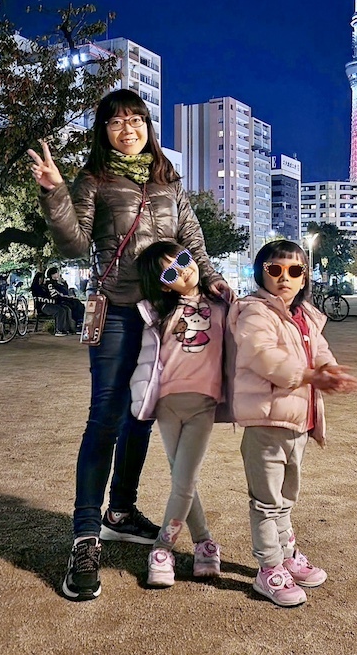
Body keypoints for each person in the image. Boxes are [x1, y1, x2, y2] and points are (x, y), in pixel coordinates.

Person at [28, 88, 230, 602]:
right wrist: (54, 192)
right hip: (119, 311)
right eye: (116, 122)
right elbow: (73, 243)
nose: (128, 129)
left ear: (147, 126)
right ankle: (85, 535)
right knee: (105, 415)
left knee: (143, 413)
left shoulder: (168, 180)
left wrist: (210, 279)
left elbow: (191, 239)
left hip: (164, 313)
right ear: (104, 130)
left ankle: (121, 509)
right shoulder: (94, 178)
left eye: (136, 120)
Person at [228, 240, 357, 608]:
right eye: (275, 270)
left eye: (295, 271)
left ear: (305, 278)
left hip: (298, 421)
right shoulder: (255, 311)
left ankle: (287, 554)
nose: (285, 277)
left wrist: (329, 371)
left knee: (287, 497)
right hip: (267, 420)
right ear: (261, 274)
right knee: (267, 501)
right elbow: (261, 354)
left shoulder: (306, 316)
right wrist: (307, 375)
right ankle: (268, 568)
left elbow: (320, 352)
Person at [130, 240, 231, 587]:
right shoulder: (157, 313)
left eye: (184, 260)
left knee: (183, 482)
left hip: (203, 404)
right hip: (167, 406)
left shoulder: (221, 304)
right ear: (163, 284)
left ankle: (163, 548)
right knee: (182, 482)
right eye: (172, 271)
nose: (185, 269)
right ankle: (204, 543)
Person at [30, 272, 75, 336]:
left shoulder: (45, 286)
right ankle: (59, 330)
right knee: (60, 311)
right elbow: (39, 298)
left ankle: (66, 329)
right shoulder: (35, 287)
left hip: (51, 303)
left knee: (67, 309)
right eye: (41, 278)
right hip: (43, 306)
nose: (42, 280)